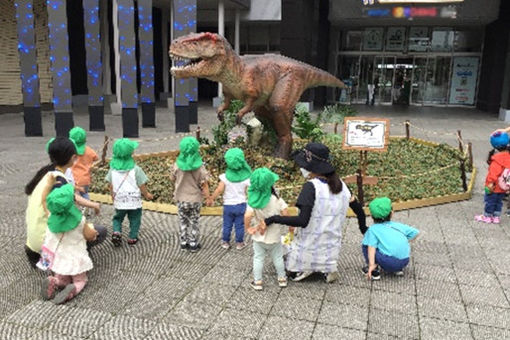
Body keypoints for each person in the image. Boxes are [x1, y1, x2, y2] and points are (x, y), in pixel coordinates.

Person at [262, 142, 364, 283]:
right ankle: (327, 269)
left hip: (309, 247)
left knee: (279, 244)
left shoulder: (311, 188)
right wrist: (364, 229)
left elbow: (302, 221)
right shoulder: (342, 186)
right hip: (330, 251)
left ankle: (303, 269)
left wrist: (273, 219)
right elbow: (359, 210)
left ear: (311, 167)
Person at [25, 137, 105, 268]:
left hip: (33, 238)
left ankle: (39, 255)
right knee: (100, 231)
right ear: (73, 157)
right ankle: (73, 259)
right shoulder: (60, 181)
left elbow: (66, 195)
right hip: (47, 239)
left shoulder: (46, 173)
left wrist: (88, 201)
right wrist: (86, 228)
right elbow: (71, 215)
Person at [40, 183, 97, 304]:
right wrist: (94, 233)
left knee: (62, 278)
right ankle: (73, 290)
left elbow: (43, 199)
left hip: (58, 259)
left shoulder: (50, 216)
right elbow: (90, 236)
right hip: (75, 259)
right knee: (81, 280)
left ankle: (55, 281)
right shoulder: (80, 221)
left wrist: (48, 183)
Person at [244, 168, 289, 291]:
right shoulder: (277, 199)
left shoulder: (253, 201)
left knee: (258, 258)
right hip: (274, 236)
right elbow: (286, 213)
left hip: (259, 236)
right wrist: (290, 227)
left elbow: (247, 215)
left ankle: (258, 281)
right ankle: (282, 279)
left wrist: (248, 228)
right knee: (278, 257)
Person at [105, 138, 153, 246]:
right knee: (135, 219)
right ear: (131, 152)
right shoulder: (136, 169)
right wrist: (146, 194)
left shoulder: (112, 170)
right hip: (134, 201)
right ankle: (132, 237)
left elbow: (110, 185)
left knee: (117, 218)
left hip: (120, 199)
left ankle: (117, 232)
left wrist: (112, 195)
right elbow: (141, 184)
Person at [362, 197, 419, 280]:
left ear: (371, 216)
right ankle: (397, 270)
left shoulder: (373, 229)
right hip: (405, 261)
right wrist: (404, 241)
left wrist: (371, 265)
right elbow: (416, 232)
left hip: (389, 263)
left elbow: (371, 248)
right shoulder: (398, 225)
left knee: (365, 245)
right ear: (392, 213)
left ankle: (374, 271)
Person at [171, 137, 210, 252]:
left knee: (183, 221)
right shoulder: (200, 167)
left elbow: (172, 178)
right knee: (194, 221)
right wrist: (208, 197)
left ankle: (183, 242)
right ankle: (193, 243)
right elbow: (204, 184)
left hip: (181, 199)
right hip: (195, 200)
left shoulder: (177, 165)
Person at [207, 148, 251, 250]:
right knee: (239, 225)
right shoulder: (246, 178)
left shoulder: (224, 177)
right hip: (241, 205)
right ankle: (239, 243)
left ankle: (225, 242)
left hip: (228, 206)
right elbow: (249, 191)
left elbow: (219, 190)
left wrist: (211, 198)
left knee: (227, 225)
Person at [474, 131, 510, 224]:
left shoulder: (497, 159)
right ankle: (496, 217)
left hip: (493, 186)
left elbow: (493, 174)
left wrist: (489, 183)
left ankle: (487, 216)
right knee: (499, 202)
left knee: (490, 201)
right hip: (503, 187)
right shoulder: (508, 157)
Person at [69, 126, 99, 200]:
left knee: (73, 195)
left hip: (73, 178)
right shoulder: (88, 150)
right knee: (85, 193)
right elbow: (96, 158)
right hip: (85, 178)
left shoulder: (70, 151)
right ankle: (87, 206)